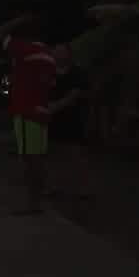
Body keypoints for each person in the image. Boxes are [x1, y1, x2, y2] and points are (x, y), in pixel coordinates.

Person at [0, 12, 57, 214]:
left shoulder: (24, 50)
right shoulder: (46, 52)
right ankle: (38, 200)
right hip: (41, 109)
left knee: (30, 160)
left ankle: (33, 205)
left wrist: (19, 19)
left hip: (27, 109)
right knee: (38, 157)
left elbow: (0, 32)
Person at [48, 43, 92, 200]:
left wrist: (55, 106)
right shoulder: (49, 73)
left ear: (69, 54)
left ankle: (83, 188)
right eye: (55, 52)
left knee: (76, 153)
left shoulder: (77, 73)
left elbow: (74, 94)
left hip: (73, 117)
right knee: (54, 153)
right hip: (53, 119)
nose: (58, 55)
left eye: (62, 52)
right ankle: (55, 185)